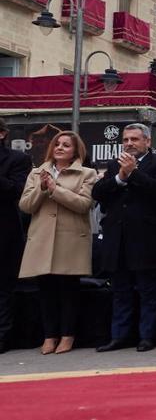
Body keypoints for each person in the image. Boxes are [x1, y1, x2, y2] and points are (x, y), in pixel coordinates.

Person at [93, 123, 156, 352]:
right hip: (116, 237)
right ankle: (119, 336)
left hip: (146, 238)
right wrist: (120, 177)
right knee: (120, 290)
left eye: (134, 139)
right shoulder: (113, 165)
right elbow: (97, 193)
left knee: (148, 290)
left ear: (147, 142)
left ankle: (147, 336)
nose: (129, 143)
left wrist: (134, 173)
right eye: (126, 139)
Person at [17, 131, 94, 355]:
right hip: (42, 240)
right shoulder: (36, 172)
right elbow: (25, 206)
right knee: (46, 292)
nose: (60, 148)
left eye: (66, 145)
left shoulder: (86, 173)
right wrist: (42, 188)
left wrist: (55, 189)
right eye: (57, 144)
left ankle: (67, 335)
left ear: (75, 151)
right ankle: (49, 336)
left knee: (68, 291)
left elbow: (83, 205)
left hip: (70, 240)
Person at [0, 117, 33, 354]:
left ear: (2, 134)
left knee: (3, 290)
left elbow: (15, 191)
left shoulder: (18, 159)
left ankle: (2, 336)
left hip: (5, 234)